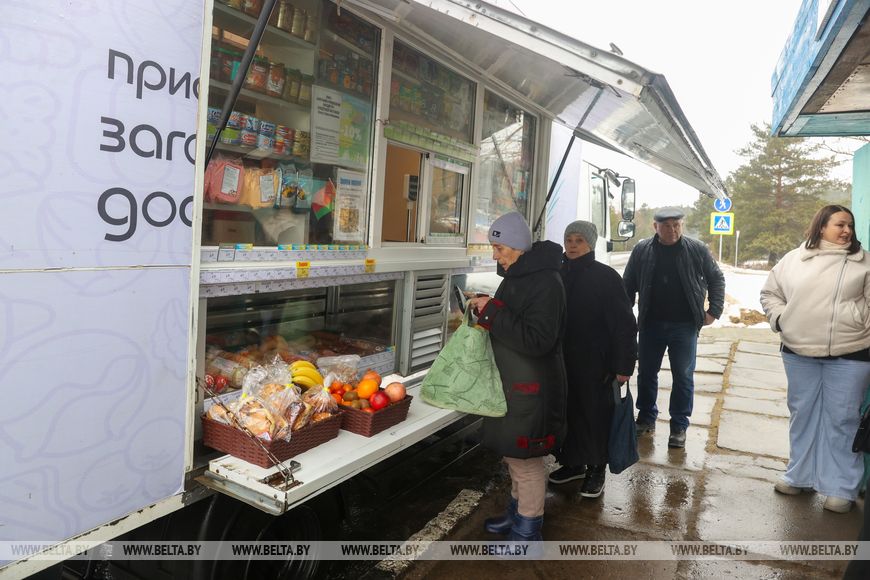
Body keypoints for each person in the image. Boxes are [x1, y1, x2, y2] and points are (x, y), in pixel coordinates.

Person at [760, 205, 870, 514]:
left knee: (842, 419)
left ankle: (841, 487)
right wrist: (781, 319)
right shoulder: (794, 260)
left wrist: (862, 326)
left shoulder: (864, 263)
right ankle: (800, 476)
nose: (846, 230)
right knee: (802, 414)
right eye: (839, 224)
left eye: (850, 225)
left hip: (852, 353)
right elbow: (770, 293)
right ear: (821, 227)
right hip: (799, 351)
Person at [467, 211, 567, 550]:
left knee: (526, 462)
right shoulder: (521, 274)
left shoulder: (546, 282)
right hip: (516, 383)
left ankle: (527, 532)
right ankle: (516, 513)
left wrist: (493, 312)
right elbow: (512, 320)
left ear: (518, 246)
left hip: (532, 389)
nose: (495, 256)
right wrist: (487, 308)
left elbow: (538, 339)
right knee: (513, 456)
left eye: (499, 248)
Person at [548, 220, 637, 498]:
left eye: (578, 240)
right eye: (568, 239)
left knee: (594, 416)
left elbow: (624, 324)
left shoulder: (605, 276)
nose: (572, 245)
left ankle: (596, 469)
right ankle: (572, 463)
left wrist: (624, 365)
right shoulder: (557, 273)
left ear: (590, 243)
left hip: (596, 362)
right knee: (568, 413)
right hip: (563, 360)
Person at [622, 207, 725, 448]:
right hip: (651, 324)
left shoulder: (696, 250)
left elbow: (716, 278)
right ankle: (646, 417)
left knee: (683, 376)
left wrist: (714, 311)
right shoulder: (642, 250)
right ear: (655, 227)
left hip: (685, 326)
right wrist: (624, 315)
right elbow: (628, 284)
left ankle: (679, 425)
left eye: (677, 225)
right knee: (647, 373)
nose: (672, 230)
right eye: (667, 226)